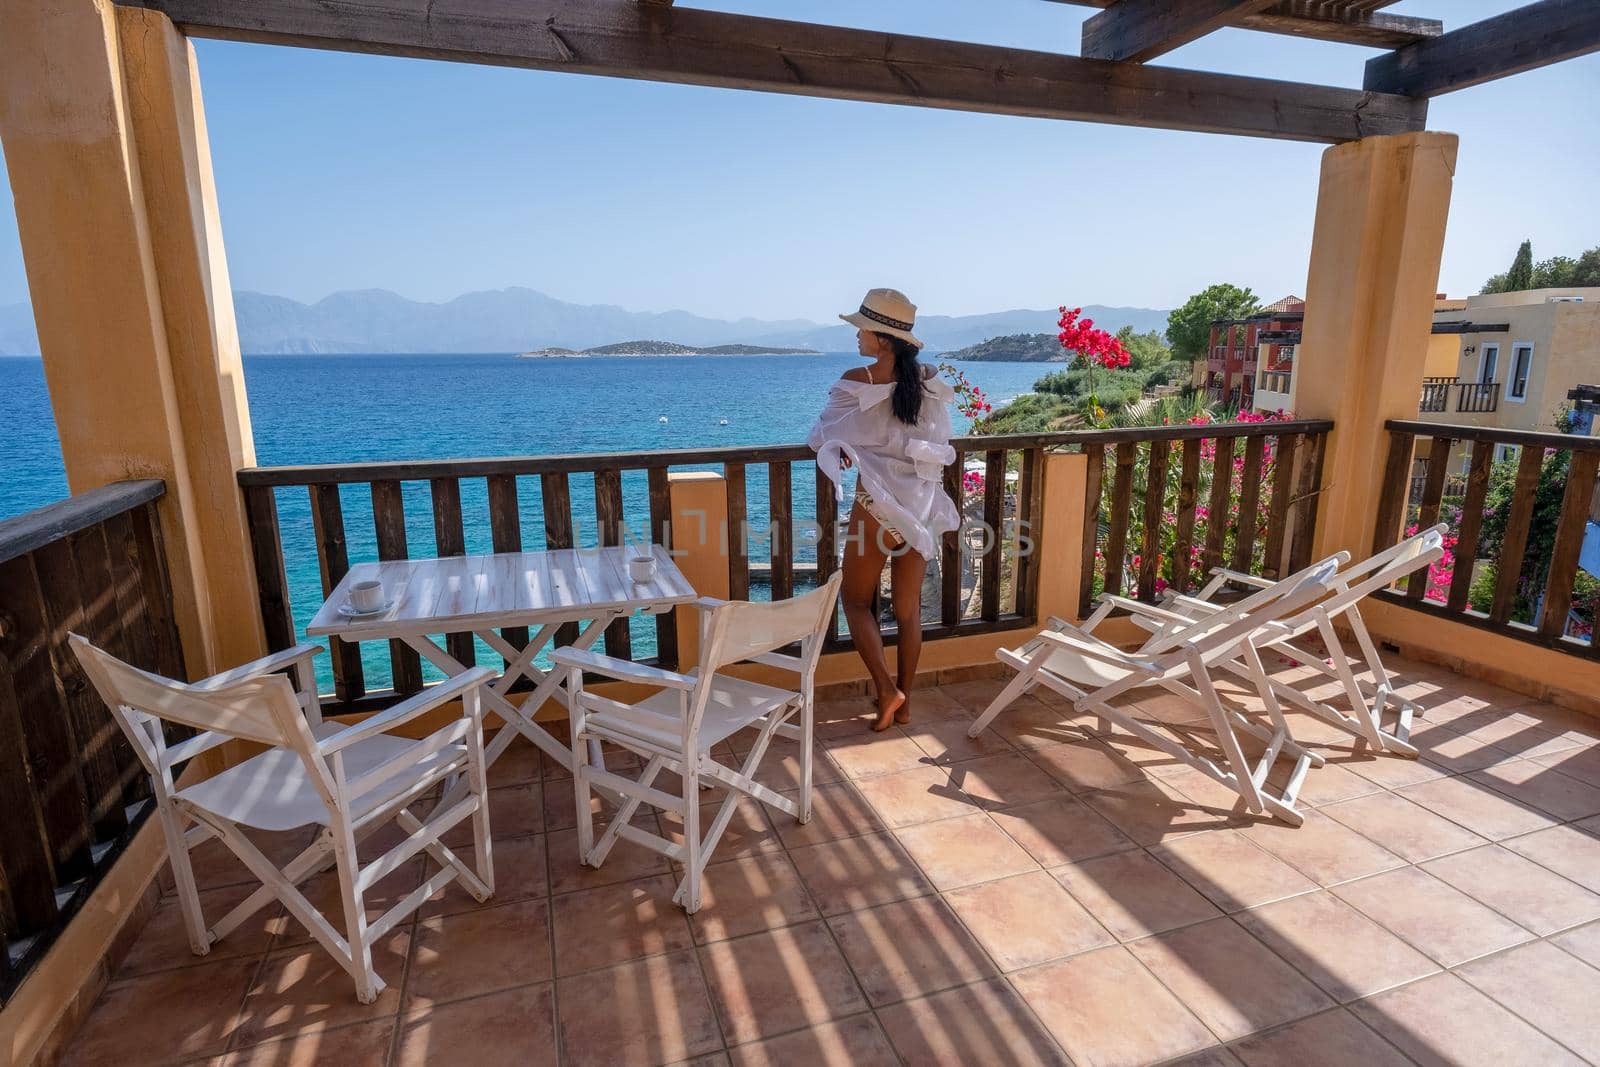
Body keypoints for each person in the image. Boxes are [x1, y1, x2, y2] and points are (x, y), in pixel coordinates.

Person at [809, 288, 959, 732]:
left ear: (882, 339)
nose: (857, 337)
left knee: (855, 602)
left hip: (876, 506)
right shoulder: (928, 381)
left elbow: (821, 434)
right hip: (923, 506)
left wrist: (849, 449)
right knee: (909, 611)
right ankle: (906, 703)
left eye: (863, 330)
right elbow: (935, 441)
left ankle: (886, 690)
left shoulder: (859, 379)